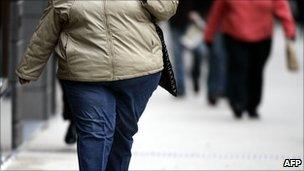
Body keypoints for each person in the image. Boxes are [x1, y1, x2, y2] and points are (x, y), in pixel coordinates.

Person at [15, 0, 178, 170]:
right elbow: (49, 26)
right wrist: (30, 67)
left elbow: (166, 9)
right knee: (94, 134)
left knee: (122, 134)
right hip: (85, 74)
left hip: (137, 73)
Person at [205, 0, 296, 119]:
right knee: (238, 68)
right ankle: (237, 102)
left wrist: (289, 31)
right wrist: (209, 34)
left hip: (262, 37)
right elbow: (217, 11)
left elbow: (282, 8)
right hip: (234, 34)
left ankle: (252, 104)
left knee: (256, 70)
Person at [169, 0, 212, 96]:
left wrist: (198, 15)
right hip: (176, 23)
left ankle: (195, 75)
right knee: (178, 57)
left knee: (200, 52)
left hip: (192, 25)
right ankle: (181, 88)